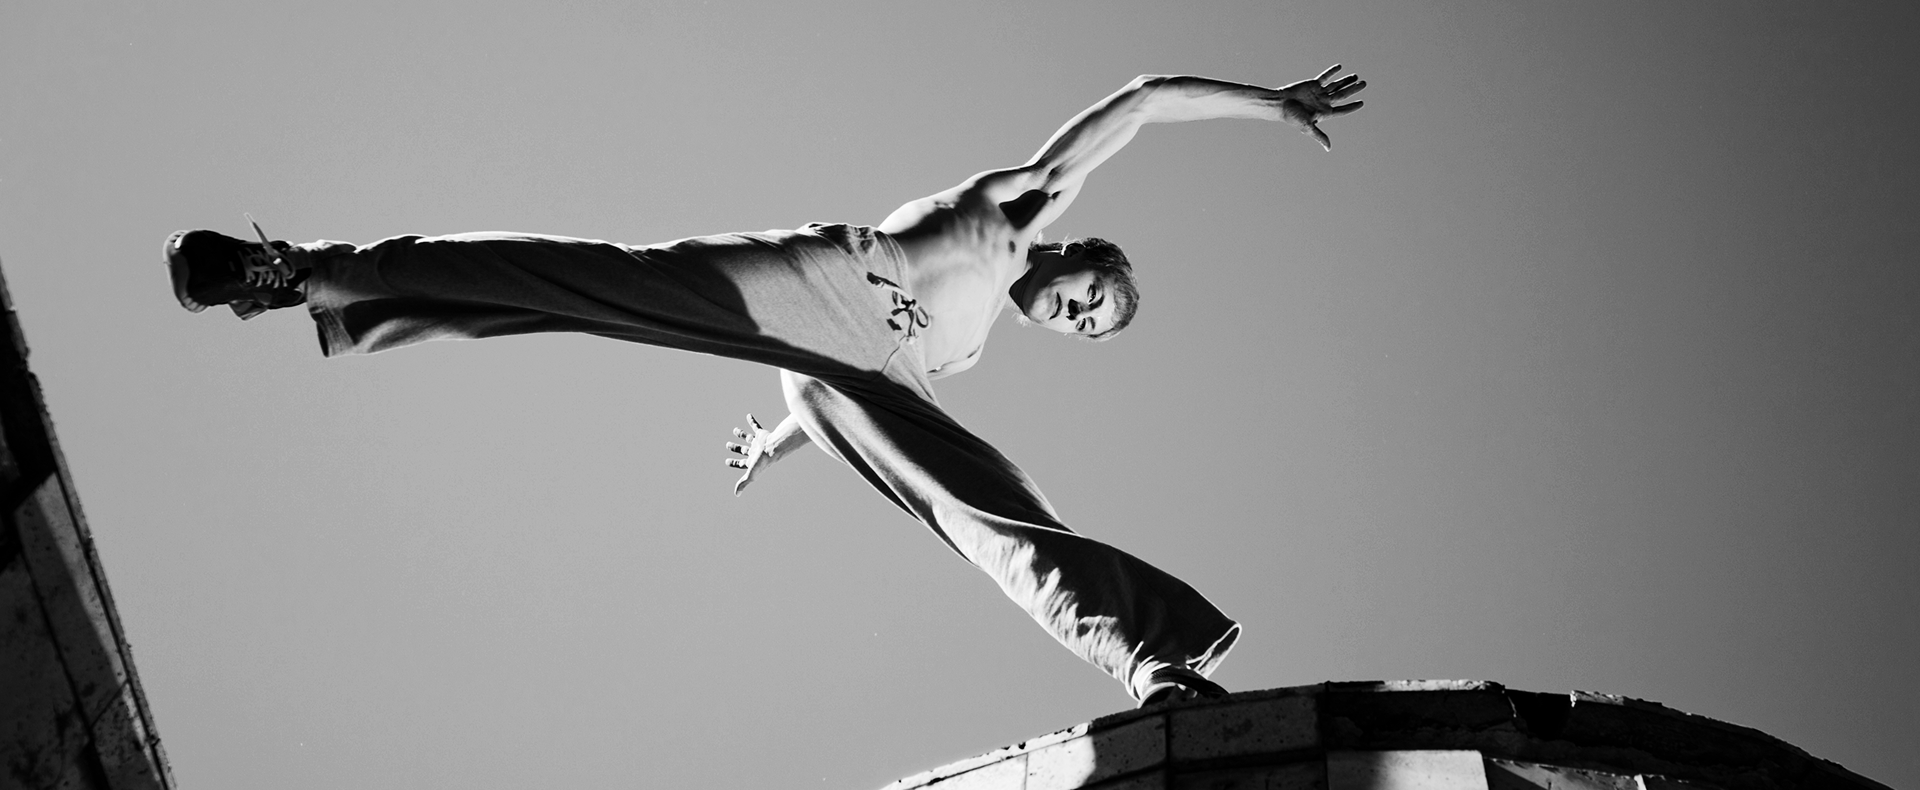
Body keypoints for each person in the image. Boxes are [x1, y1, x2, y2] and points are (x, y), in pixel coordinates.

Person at [165, 67, 1366, 706]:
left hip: (868, 377)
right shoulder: (1025, 206)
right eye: (1092, 295)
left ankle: (1154, 661)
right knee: (601, 283)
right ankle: (302, 271)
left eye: (1091, 329)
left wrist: (776, 443)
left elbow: (836, 399)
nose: (1079, 316)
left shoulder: (966, 353)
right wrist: (1271, 104)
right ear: (1077, 256)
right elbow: (1143, 102)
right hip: (837, 281)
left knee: (991, 506)